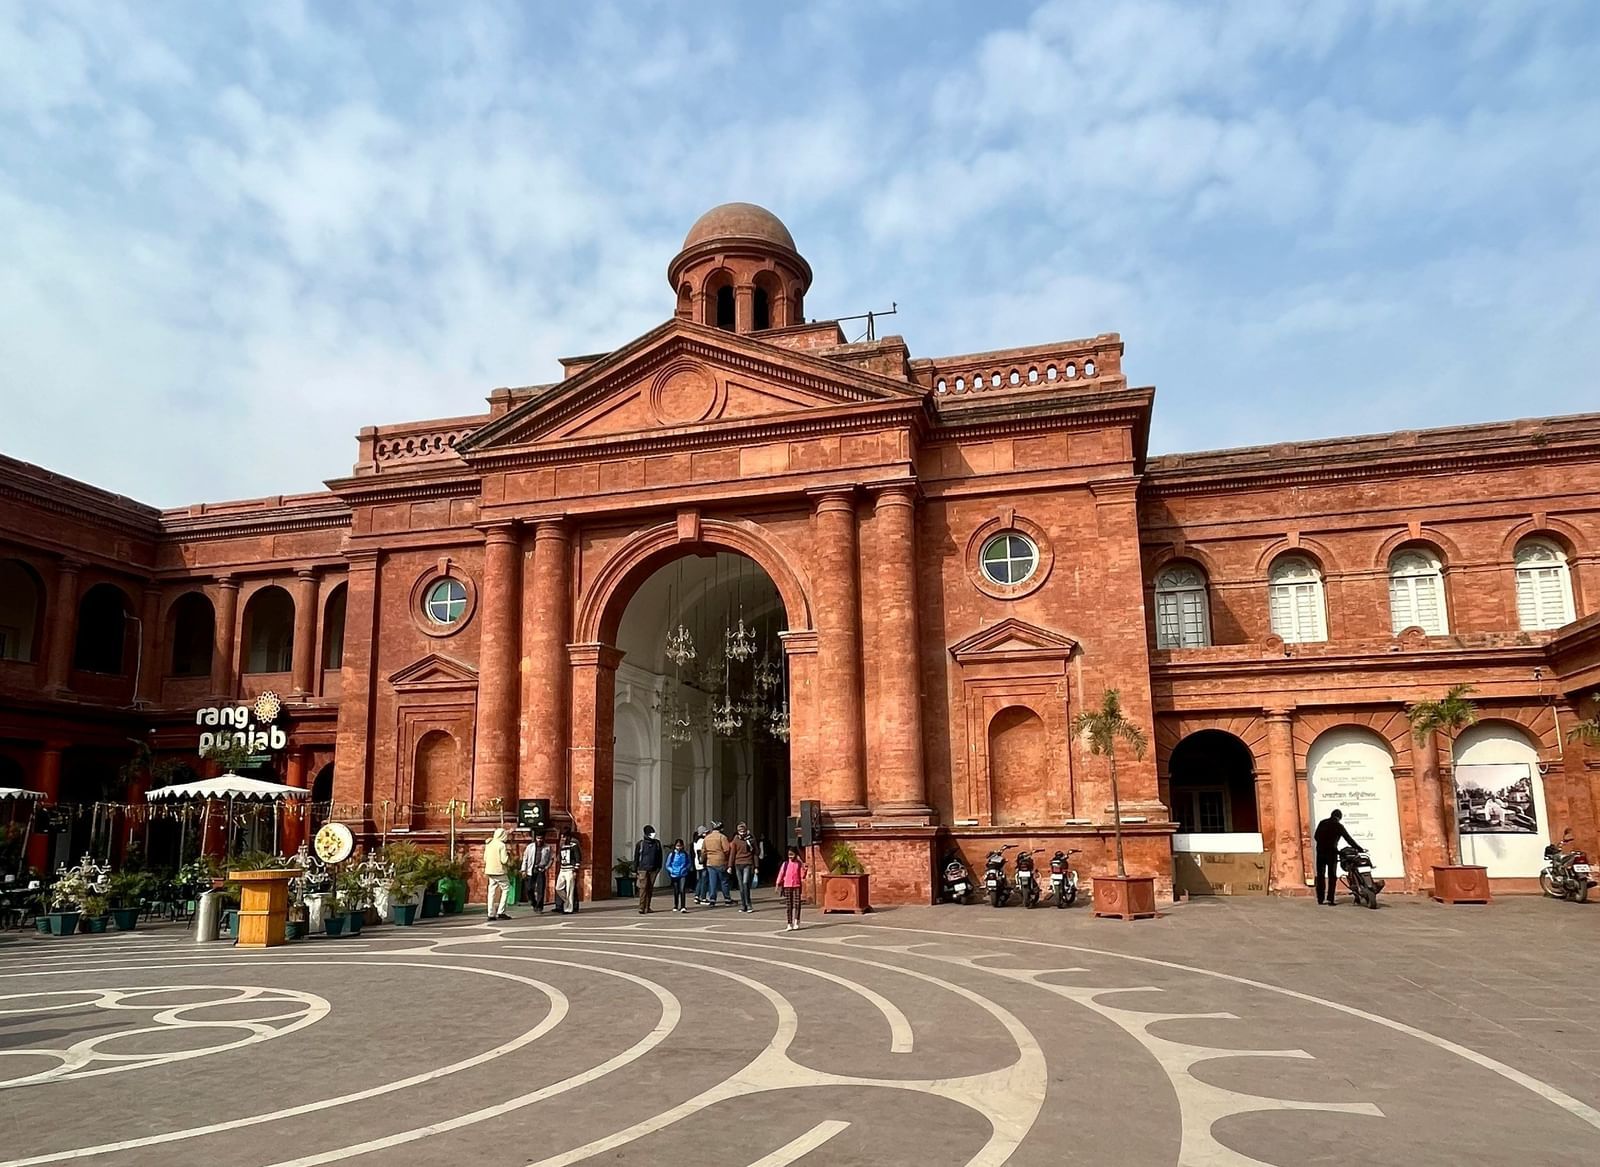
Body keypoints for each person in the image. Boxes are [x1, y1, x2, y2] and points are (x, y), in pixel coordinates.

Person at [1313, 809, 1360, 905]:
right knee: (1332, 876)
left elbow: (1316, 836)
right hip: (1332, 853)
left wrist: (1322, 844)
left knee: (1320, 875)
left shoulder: (1322, 823)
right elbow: (1348, 839)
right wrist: (1359, 848)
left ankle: (1320, 899)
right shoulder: (1338, 826)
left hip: (1321, 852)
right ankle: (1330, 899)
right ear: (1339, 817)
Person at [521, 830, 553, 914]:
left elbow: (551, 859)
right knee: (529, 888)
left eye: (541, 838)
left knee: (540, 889)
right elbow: (525, 858)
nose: (539, 840)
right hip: (531, 869)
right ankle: (533, 902)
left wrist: (546, 867)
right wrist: (523, 869)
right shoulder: (530, 847)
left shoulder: (547, 847)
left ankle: (539, 906)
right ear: (535, 838)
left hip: (541, 869)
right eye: (538, 838)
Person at [484, 827, 512, 921]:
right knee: (506, 888)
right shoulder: (501, 845)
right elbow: (504, 860)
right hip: (499, 871)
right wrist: (508, 856)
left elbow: (485, 858)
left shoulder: (489, 844)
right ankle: (501, 911)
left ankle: (490, 913)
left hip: (490, 871)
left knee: (491, 891)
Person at [634, 825, 663, 914]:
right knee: (643, 888)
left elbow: (660, 856)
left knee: (650, 888)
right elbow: (636, 857)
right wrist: (635, 869)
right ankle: (641, 907)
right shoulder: (640, 844)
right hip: (642, 869)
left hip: (653, 869)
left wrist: (659, 867)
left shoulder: (657, 843)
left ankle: (647, 906)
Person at [777, 845, 806, 931]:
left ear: (796, 855)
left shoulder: (798, 864)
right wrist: (777, 884)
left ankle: (797, 921)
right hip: (787, 886)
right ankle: (789, 923)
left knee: (797, 904)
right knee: (789, 905)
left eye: (792, 854)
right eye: (789, 854)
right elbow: (781, 874)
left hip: (797, 886)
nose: (790, 856)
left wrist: (804, 867)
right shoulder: (785, 864)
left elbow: (802, 876)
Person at [730, 822, 757, 913]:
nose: (742, 833)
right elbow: (732, 853)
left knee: (745, 883)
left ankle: (749, 904)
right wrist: (730, 866)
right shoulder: (735, 840)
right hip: (738, 864)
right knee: (741, 886)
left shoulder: (751, 839)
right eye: (740, 831)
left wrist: (756, 866)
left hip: (747, 863)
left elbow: (755, 853)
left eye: (743, 831)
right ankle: (743, 905)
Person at [701, 822, 730, 906]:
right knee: (724, 881)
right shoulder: (722, 837)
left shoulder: (707, 838)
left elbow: (703, 851)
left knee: (712, 881)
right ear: (721, 829)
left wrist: (703, 860)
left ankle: (712, 899)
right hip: (720, 861)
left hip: (710, 862)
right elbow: (726, 850)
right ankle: (727, 898)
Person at [555, 831, 581, 915]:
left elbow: (578, 858)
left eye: (564, 837)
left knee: (570, 889)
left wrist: (576, 870)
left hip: (570, 869)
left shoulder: (573, 845)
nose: (562, 839)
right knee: (558, 888)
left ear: (568, 837)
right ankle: (567, 901)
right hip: (563, 869)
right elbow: (559, 857)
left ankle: (568, 908)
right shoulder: (562, 846)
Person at [665, 838, 692, 912]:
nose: (679, 847)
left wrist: (685, 869)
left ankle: (683, 906)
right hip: (674, 874)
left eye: (680, 846)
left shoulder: (685, 854)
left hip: (683, 874)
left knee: (682, 889)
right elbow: (667, 865)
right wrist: (672, 871)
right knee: (676, 890)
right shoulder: (672, 855)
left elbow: (689, 863)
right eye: (677, 846)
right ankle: (676, 905)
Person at [692, 828, 708, 904]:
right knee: (703, 880)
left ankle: (697, 896)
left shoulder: (695, 841)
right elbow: (700, 852)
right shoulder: (701, 841)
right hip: (702, 862)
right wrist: (702, 861)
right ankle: (703, 897)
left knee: (700, 880)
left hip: (697, 863)